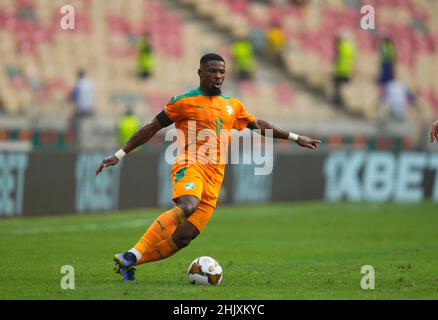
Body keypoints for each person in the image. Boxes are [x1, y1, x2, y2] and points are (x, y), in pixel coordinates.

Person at [96, 53, 321, 282]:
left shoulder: (232, 106)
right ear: (200, 73)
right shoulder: (184, 101)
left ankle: (129, 260)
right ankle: (132, 254)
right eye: (213, 71)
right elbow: (152, 127)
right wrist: (120, 154)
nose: (218, 76)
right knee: (188, 205)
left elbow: (258, 125)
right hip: (190, 165)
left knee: (184, 238)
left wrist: (295, 137)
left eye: (222, 72)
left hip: (214, 179)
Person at [70, 70, 95, 145]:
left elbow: (74, 96)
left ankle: (74, 143)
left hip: (81, 110)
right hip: (90, 109)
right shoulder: (90, 83)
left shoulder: (79, 84)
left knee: (71, 122)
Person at [332, 35, 356, 107]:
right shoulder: (350, 47)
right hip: (348, 71)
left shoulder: (340, 46)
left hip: (340, 70)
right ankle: (342, 101)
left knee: (337, 86)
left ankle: (338, 101)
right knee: (343, 87)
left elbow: (337, 58)